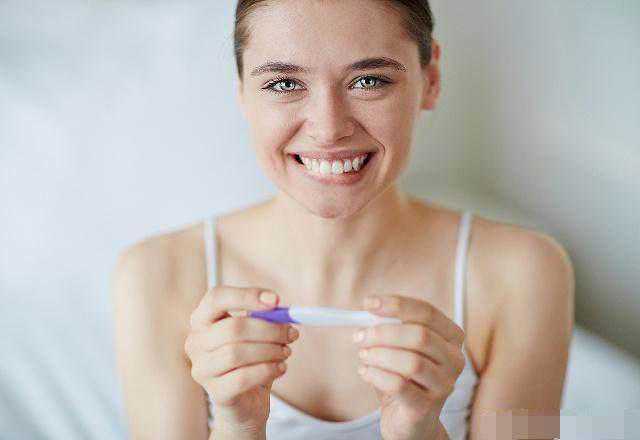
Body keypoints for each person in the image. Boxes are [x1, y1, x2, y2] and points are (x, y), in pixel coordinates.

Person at [111, 1, 575, 439]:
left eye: (369, 80)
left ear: (430, 78)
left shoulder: (524, 273)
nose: (329, 128)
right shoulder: (156, 276)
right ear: (242, 92)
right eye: (284, 84)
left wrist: (420, 432)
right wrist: (237, 427)